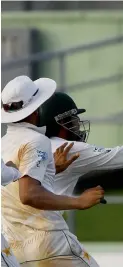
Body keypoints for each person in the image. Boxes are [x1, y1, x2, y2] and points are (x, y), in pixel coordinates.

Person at [1, 75, 106, 267]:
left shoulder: (3, 144)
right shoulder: (36, 140)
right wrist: (79, 202)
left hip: (15, 248)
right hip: (50, 243)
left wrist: (49, 171)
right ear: (35, 109)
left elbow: (13, 186)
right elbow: (28, 194)